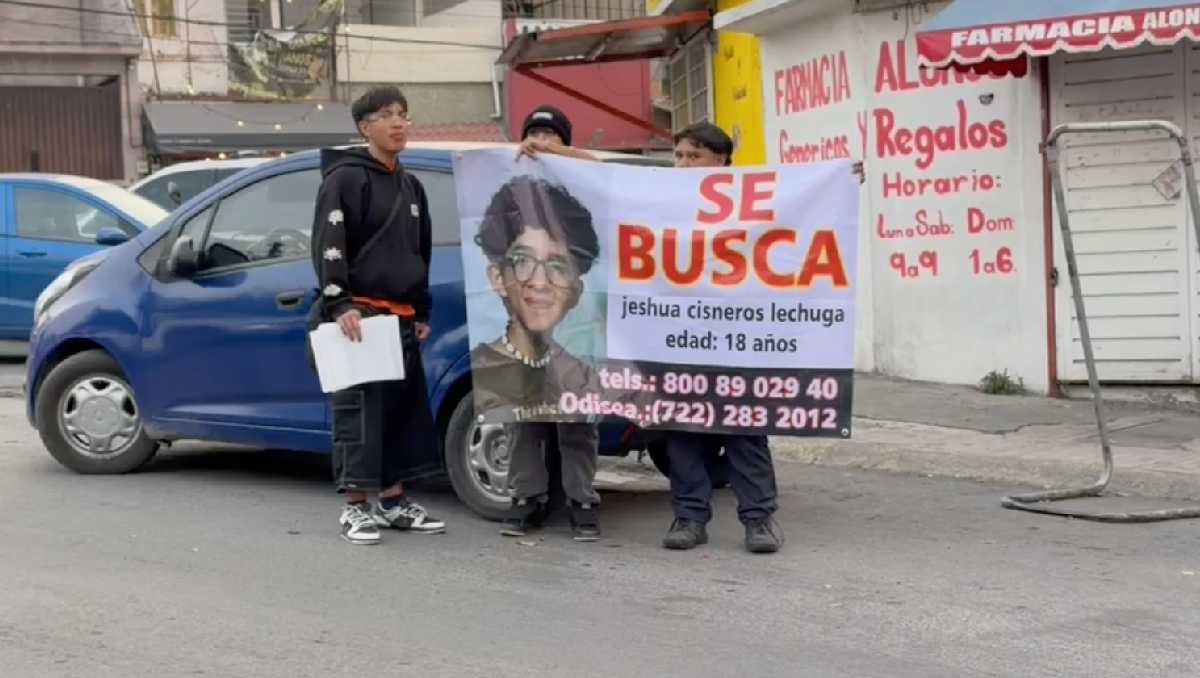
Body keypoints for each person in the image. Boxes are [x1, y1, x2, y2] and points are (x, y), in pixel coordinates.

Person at [310, 86, 446, 545]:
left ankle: (393, 501)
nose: (399, 123)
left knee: (399, 413)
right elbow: (329, 245)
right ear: (365, 126)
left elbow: (419, 250)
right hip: (359, 315)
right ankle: (355, 508)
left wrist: (422, 309)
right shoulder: (344, 179)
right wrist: (339, 302)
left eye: (404, 114)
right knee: (359, 414)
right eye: (387, 115)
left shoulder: (412, 185)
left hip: (401, 317)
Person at [469, 173, 603, 543]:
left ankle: (583, 503)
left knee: (578, 426)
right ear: (498, 276)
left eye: (558, 266)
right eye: (523, 262)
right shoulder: (488, 361)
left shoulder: (583, 371)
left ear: (576, 288)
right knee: (519, 423)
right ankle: (525, 499)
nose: (539, 282)